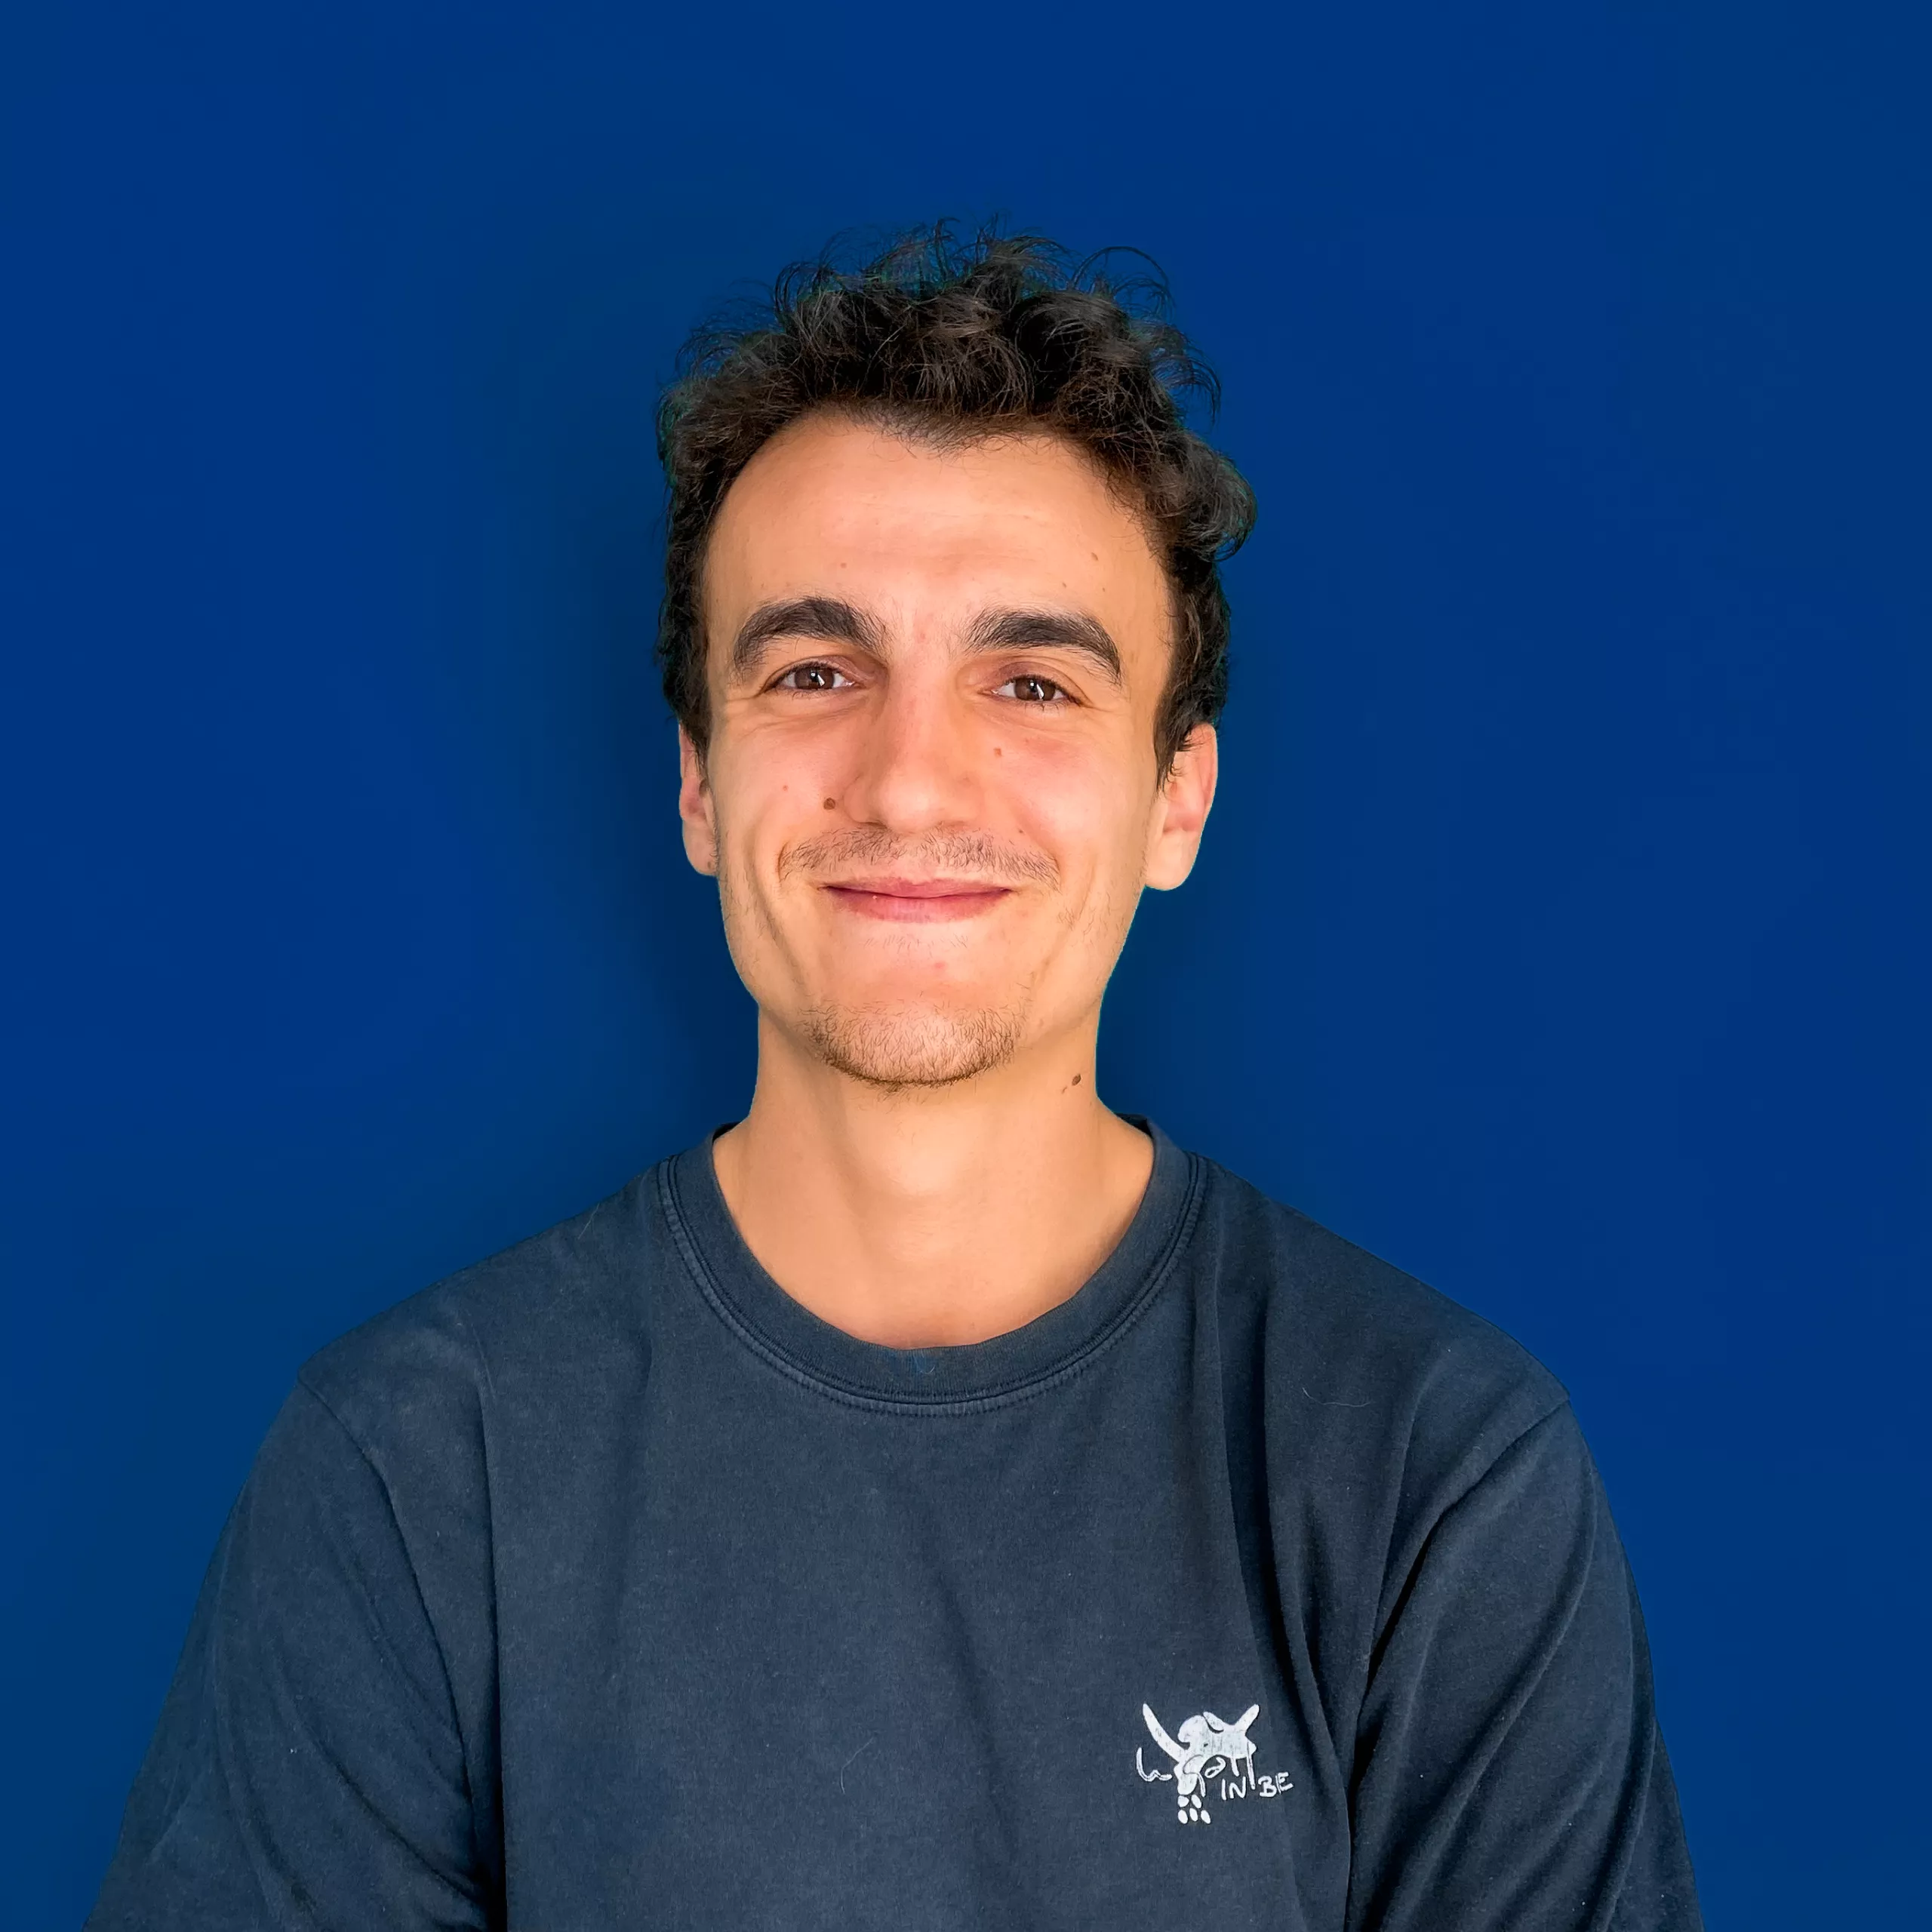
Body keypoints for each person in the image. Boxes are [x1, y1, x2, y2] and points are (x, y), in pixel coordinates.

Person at [89, 226, 1701, 1930]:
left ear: (1176, 800)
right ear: (701, 787)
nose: (913, 776)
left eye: (1028, 679)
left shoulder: (1431, 1469)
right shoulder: (416, 1470)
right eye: (812, 669)